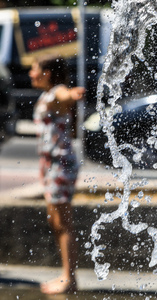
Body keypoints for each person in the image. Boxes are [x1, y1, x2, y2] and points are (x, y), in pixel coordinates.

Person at [29, 54, 85, 294]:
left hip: (60, 164)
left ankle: (69, 279)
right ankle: (67, 276)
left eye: (33, 68)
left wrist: (72, 95)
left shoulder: (56, 93)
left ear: (46, 73)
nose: (30, 73)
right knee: (56, 221)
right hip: (52, 165)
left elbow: (65, 95)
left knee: (63, 222)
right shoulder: (46, 95)